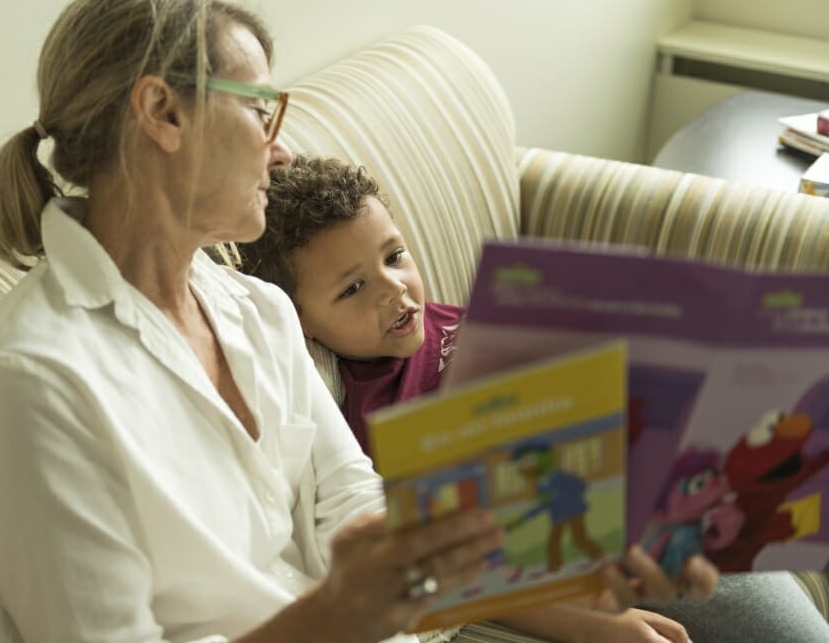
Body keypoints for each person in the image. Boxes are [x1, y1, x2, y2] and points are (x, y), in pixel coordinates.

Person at [0, 0, 719, 643]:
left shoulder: (254, 310)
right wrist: (342, 612)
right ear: (162, 113)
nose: (279, 149)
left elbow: (353, 501)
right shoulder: (33, 386)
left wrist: (564, 552)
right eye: (260, 110)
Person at [237, 155, 716, 642]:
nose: (393, 289)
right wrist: (603, 627)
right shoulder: (365, 424)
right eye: (353, 287)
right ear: (299, 322)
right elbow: (466, 574)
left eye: (394, 256)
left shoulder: (456, 320)